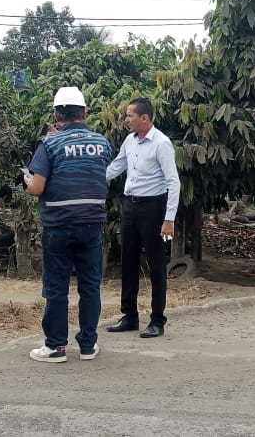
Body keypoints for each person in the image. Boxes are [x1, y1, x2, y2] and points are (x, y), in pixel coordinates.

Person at [24, 86, 112, 363]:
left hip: (58, 225)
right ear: (84, 112)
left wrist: (28, 181)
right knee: (90, 286)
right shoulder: (102, 142)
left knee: (57, 288)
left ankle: (55, 347)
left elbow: (38, 188)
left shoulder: (49, 144)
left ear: (56, 115)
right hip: (92, 224)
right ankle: (88, 345)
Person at [105, 97, 180, 338]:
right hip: (131, 206)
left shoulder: (161, 143)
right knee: (128, 260)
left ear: (144, 118)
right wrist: (91, 179)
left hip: (153, 208)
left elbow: (173, 182)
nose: (126, 120)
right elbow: (115, 167)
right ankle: (130, 316)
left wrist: (169, 219)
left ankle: (157, 320)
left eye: (130, 115)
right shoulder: (130, 141)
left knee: (156, 264)